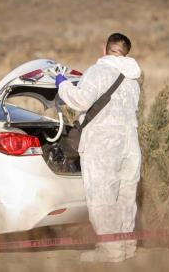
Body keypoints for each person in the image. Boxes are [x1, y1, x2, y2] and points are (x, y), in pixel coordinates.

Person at [55, 33, 142, 262]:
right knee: (125, 197)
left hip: (103, 143)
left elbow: (81, 101)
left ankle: (110, 251)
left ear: (105, 49)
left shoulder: (98, 71)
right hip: (130, 144)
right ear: (125, 52)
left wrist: (62, 84)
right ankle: (127, 247)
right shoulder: (133, 79)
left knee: (102, 196)